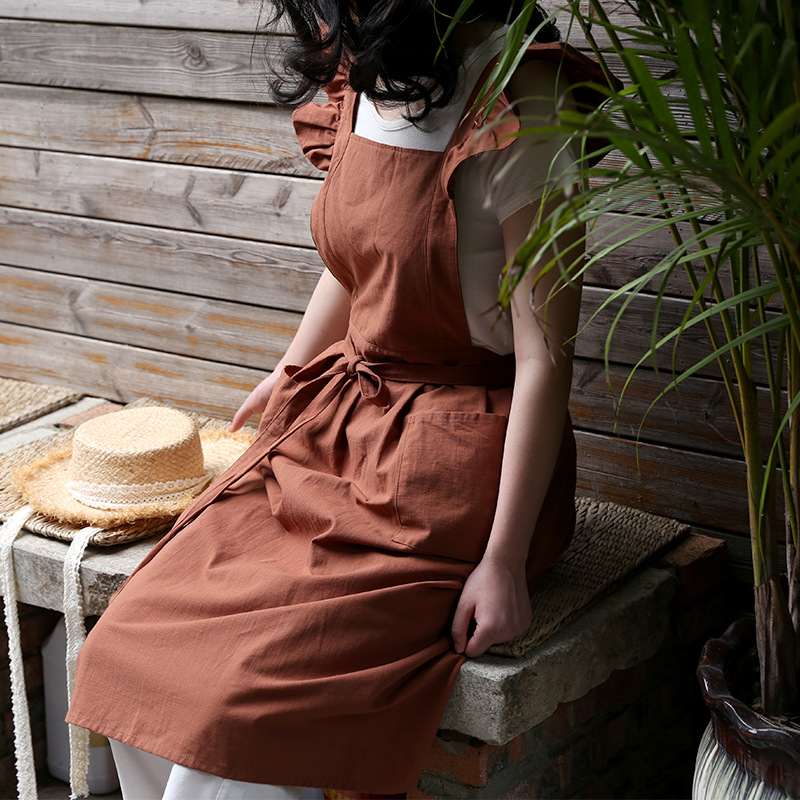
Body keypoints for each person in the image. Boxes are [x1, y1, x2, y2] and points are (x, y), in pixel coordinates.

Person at [66, 2, 614, 797]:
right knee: (127, 646)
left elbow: (544, 358)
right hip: (340, 421)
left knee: (239, 706)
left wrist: (503, 563)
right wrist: (291, 370)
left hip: (455, 468)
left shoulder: (522, 95)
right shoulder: (367, 66)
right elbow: (359, 256)